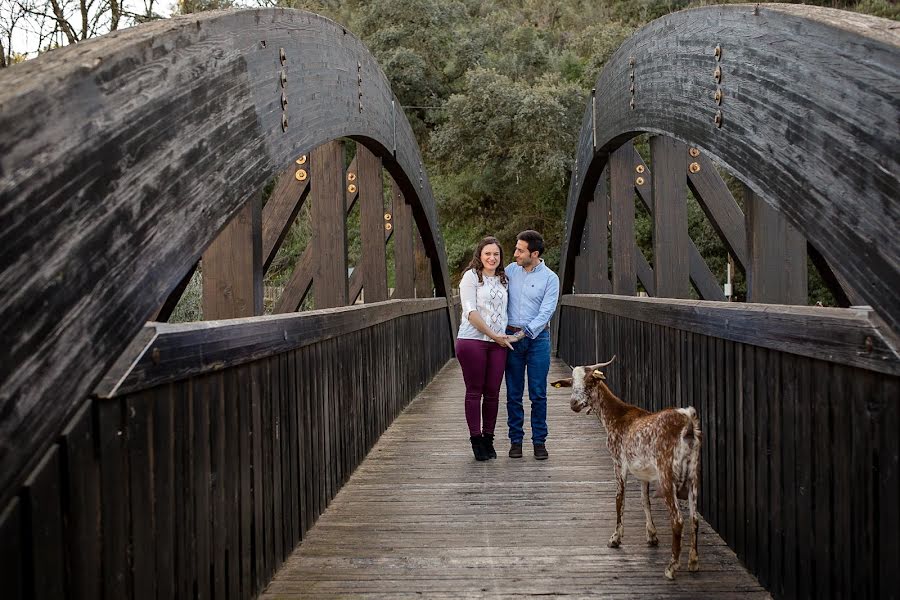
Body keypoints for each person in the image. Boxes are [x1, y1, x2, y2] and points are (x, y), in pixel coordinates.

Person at [456, 236, 515, 461]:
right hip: (473, 341)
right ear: (480, 255)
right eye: (487, 253)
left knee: (492, 393)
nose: (492, 258)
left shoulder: (504, 279)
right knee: (474, 391)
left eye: (496, 254)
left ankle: (488, 439)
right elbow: (471, 313)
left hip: (498, 344)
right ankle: (476, 440)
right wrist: (494, 336)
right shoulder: (471, 277)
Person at [504, 230, 560, 460]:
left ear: (534, 253)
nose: (515, 253)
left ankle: (539, 442)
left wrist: (523, 334)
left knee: (538, 393)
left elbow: (547, 311)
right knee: (513, 393)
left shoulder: (550, 278)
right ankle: (516, 441)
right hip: (509, 339)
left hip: (537, 340)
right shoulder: (509, 271)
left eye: (520, 250)